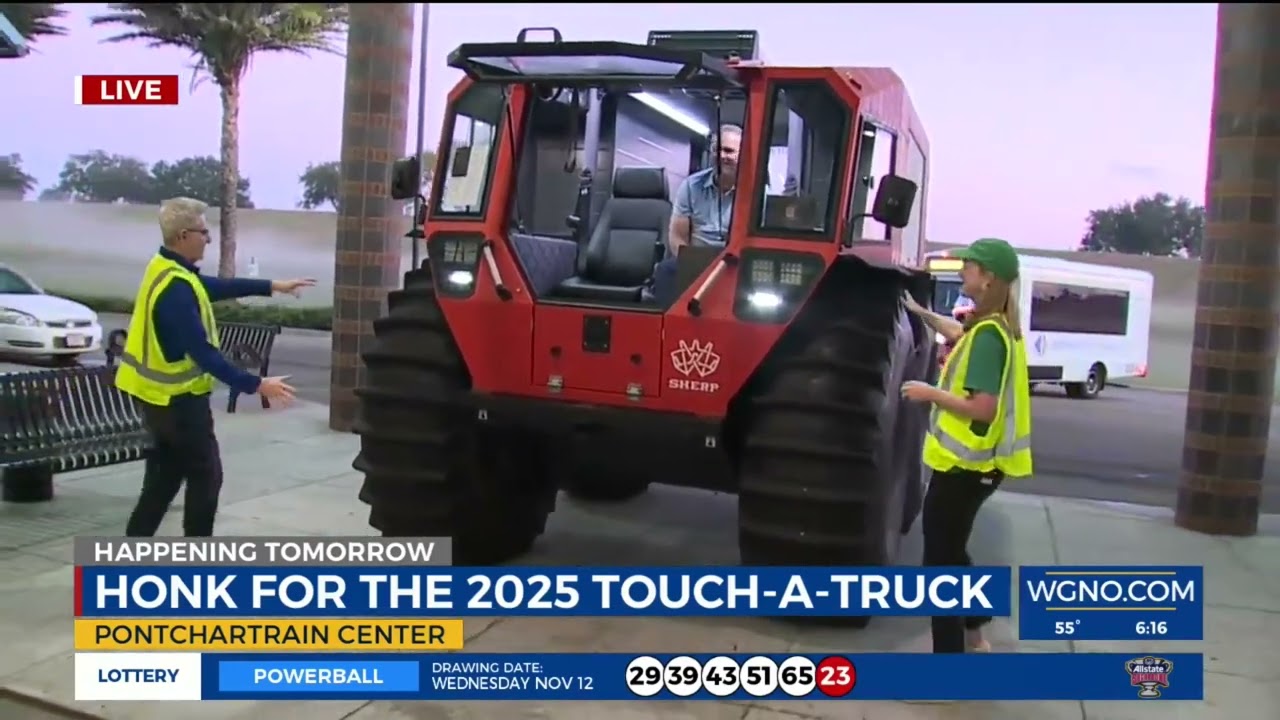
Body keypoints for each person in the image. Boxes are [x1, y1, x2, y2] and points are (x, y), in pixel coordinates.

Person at [114, 197, 315, 537]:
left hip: (158, 401)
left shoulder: (167, 269)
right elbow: (204, 354)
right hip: (178, 404)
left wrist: (271, 286)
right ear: (182, 236)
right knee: (206, 478)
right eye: (203, 232)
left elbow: (211, 287)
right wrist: (255, 384)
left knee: (163, 483)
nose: (208, 238)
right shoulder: (175, 288)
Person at [899, 237, 1034, 655]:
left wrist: (929, 392)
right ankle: (975, 635)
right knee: (952, 553)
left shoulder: (990, 337)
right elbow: (958, 331)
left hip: (966, 470)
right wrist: (921, 314)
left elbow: (983, 408)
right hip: (975, 469)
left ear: (989, 277)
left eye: (970, 266)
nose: (963, 271)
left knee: (939, 566)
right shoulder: (991, 327)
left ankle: (948, 665)